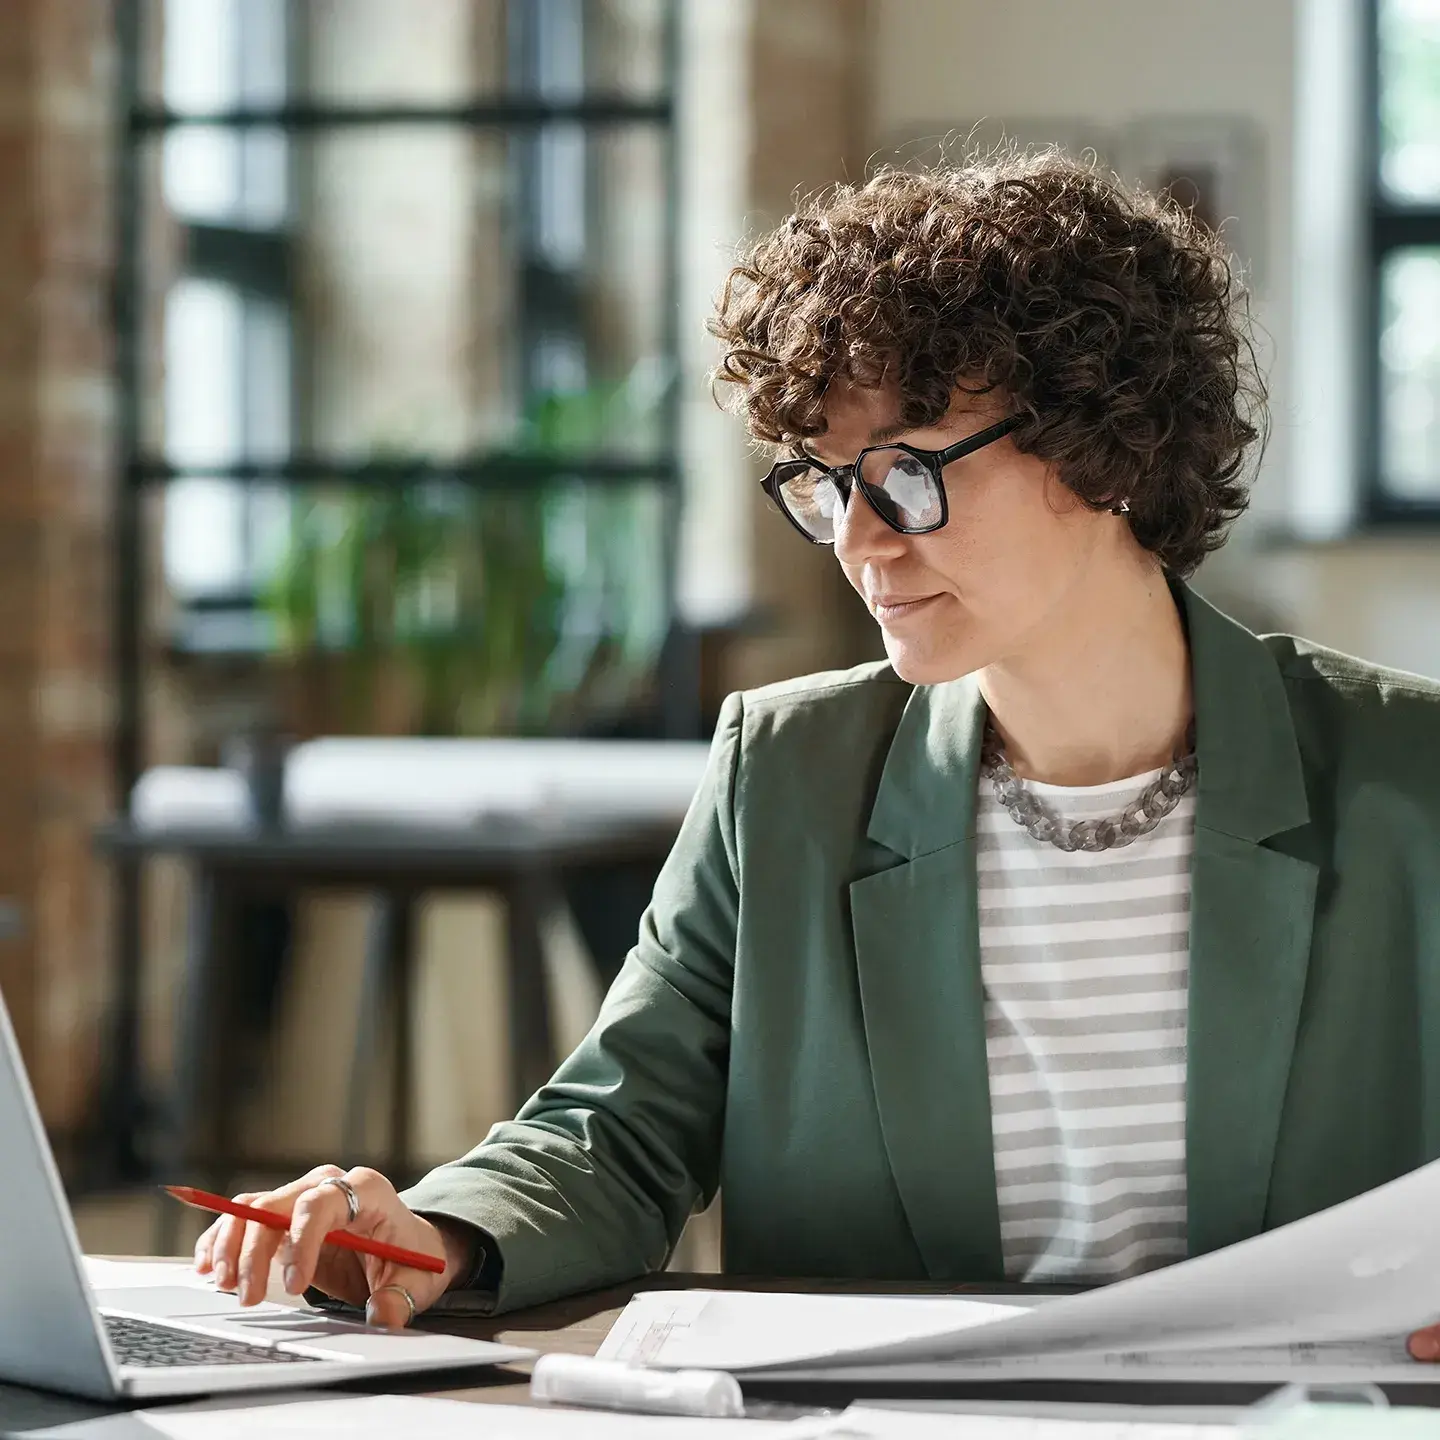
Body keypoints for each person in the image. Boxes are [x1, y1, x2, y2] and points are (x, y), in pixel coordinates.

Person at [193, 151, 1440, 1360]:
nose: (858, 542)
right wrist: (436, 1230)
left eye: (905, 473)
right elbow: (619, 1131)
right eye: (826, 484)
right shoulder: (787, 773)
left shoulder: (1410, 772)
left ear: (1100, 444)